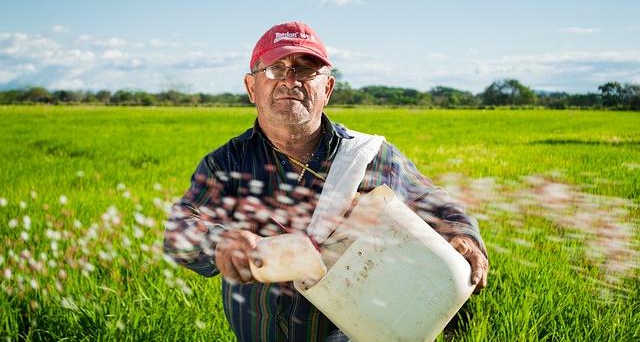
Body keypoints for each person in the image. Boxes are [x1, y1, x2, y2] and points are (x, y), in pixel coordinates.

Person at [164, 21, 488, 342]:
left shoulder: (365, 156)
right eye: (276, 69)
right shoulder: (227, 163)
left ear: (327, 89)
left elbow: (434, 202)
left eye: (306, 71)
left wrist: (462, 234)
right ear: (252, 87)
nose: (291, 81)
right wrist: (220, 242)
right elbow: (180, 229)